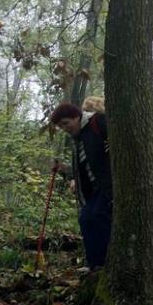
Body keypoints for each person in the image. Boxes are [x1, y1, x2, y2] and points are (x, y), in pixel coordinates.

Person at [51, 102, 112, 271]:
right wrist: (64, 170)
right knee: (85, 219)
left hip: (108, 185)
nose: (65, 128)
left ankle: (106, 263)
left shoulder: (96, 122)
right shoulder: (77, 139)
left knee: (99, 216)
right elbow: (82, 169)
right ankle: (94, 264)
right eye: (61, 126)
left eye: (66, 123)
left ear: (76, 117)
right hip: (93, 190)